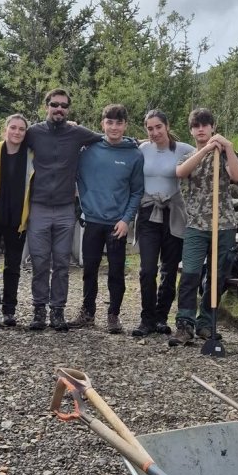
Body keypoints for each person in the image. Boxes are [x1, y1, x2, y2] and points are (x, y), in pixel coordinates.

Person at [24, 89, 101, 331]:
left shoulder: (77, 133)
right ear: (46, 106)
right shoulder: (33, 132)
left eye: (63, 106)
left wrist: (141, 144)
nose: (59, 109)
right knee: (39, 261)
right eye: (54, 104)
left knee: (61, 262)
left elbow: (107, 138)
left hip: (66, 208)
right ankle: (38, 311)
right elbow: (11, 144)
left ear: (68, 109)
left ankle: (57, 311)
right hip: (38, 207)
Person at [169, 108, 238, 347]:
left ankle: (206, 323)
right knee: (190, 273)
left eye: (205, 125)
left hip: (223, 224)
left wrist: (227, 148)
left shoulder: (225, 154)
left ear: (212, 127)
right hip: (196, 224)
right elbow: (181, 172)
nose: (201, 129)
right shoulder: (190, 155)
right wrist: (205, 150)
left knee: (217, 275)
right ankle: (185, 324)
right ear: (191, 130)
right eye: (196, 126)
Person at [72, 104, 145, 333]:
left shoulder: (134, 155)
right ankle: (87, 312)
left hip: (117, 224)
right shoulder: (88, 150)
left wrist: (126, 219)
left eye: (119, 122)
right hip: (92, 219)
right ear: (102, 123)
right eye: (110, 122)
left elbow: (136, 191)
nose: (114, 127)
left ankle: (113, 315)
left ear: (125, 125)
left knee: (115, 272)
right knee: (89, 269)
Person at [132, 110, 195, 337]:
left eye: (159, 127)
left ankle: (161, 317)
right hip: (148, 212)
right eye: (150, 128)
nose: (155, 132)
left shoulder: (184, 149)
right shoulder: (142, 150)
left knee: (169, 269)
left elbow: (206, 153)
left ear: (167, 126)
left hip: (174, 212)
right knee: (147, 269)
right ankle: (146, 318)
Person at [0, 113, 33, 327]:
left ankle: (9, 311)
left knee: (13, 267)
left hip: (18, 218)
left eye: (21, 129)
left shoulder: (31, 156)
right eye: (12, 127)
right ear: (5, 130)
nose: (16, 132)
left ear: (25, 133)